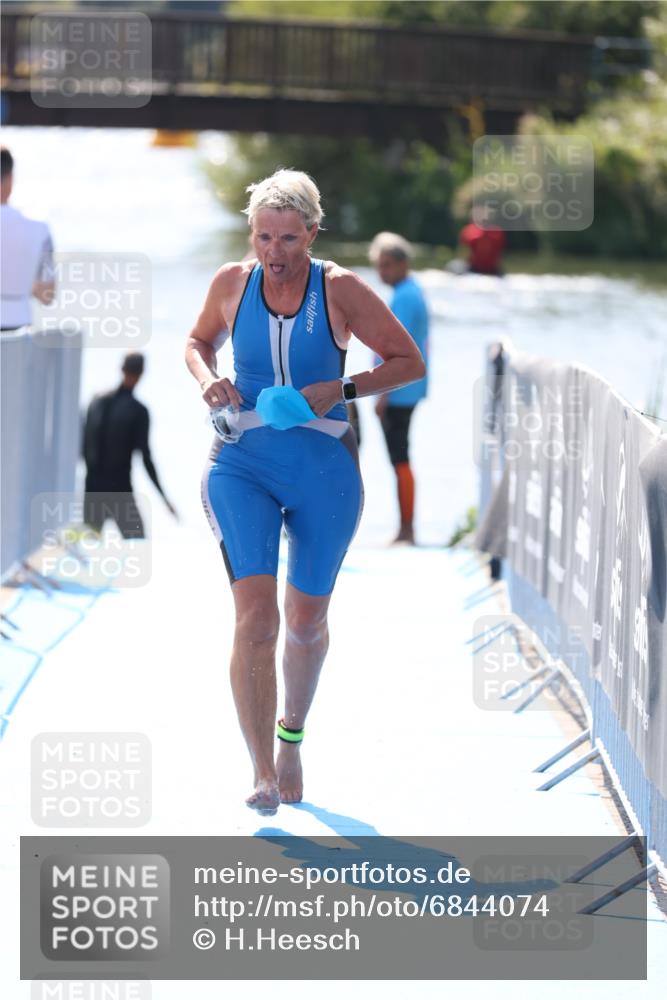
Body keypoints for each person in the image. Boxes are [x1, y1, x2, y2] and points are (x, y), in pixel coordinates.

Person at [186, 169, 425, 816]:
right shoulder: (232, 284)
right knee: (256, 620)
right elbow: (196, 341)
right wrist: (208, 378)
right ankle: (261, 768)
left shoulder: (340, 289)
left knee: (305, 621)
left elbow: (408, 364)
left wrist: (340, 389)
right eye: (263, 237)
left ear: (312, 234)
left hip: (324, 470)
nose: (274, 252)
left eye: (288, 239)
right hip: (241, 465)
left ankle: (290, 735)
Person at [369, 232, 429, 545]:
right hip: (407, 389)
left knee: (399, 457)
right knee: (400, 457)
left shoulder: (405, 296)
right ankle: (406, 527)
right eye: (380, 266)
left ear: (404, 264)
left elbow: (397, 349)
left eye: (388, 265)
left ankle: (407, 529)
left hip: (399, 392)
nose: (383, 272)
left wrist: (382, 394)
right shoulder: (412, 291)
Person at [82, 353, 177, 537]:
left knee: (88, 549)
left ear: (122, 368)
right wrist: (164, 498)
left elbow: (85, 446)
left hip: (93, 489)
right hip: (120, 491)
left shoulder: (96, 401)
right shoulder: (139, 411)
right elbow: (146, 459)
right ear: (141, 373)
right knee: (137, 546)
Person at [0, 146, 55, 332]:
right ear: (10, 180)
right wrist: (23, 284)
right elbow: (48, 295)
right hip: (19, 331)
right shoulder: (40, 228)